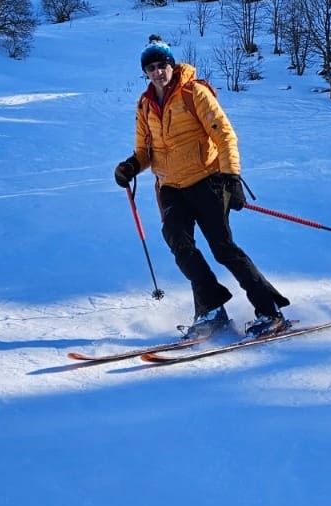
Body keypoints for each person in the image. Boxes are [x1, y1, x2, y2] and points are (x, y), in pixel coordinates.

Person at [114, 36, 290, 339]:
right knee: (178, 242)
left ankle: (269, 311)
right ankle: (211, 308)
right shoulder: (144, 105)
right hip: (170, 186)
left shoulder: (194, 93)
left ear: (172, 65)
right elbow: (145, 151)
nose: (158, 71)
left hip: (206, 180)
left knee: (223, 249)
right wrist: (131, 166)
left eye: (163, 65)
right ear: (145, 72)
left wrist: (231, 177)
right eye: (151, 67)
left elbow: (225, 136)